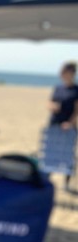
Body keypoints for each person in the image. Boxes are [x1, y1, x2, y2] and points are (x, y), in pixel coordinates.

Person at [47, 61, 78, 189]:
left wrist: (70, 123)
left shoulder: (76, 90)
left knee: (67, 155)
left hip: (69, 126)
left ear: (72, 73)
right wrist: (52, 106)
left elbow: (77, 110)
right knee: (51, 152)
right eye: (61, 71)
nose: (62, 74)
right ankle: (46, 177)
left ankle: (66, 184)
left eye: (64, 71)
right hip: (54, 123)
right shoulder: (58, 88)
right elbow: (49, 102)